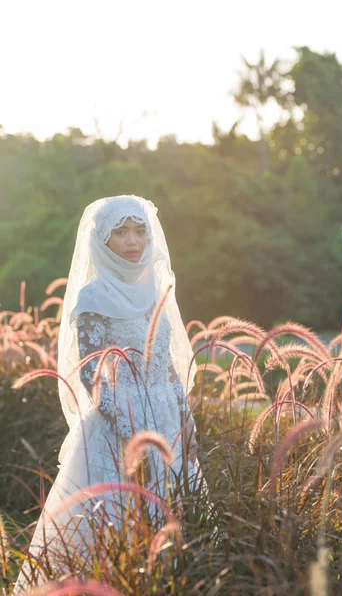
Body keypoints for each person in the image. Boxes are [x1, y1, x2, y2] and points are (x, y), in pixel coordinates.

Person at [13, 195, 200, 592]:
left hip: (166, 417)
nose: (133, 241)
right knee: (109, 526)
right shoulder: (94, 298)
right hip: (119, 425)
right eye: (121, 232)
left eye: (140, 231)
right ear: (102, 239)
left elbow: (167, 364)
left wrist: (185, 415)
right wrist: (131, 429)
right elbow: (92, 372)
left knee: (178, 518)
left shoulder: (157, 289)